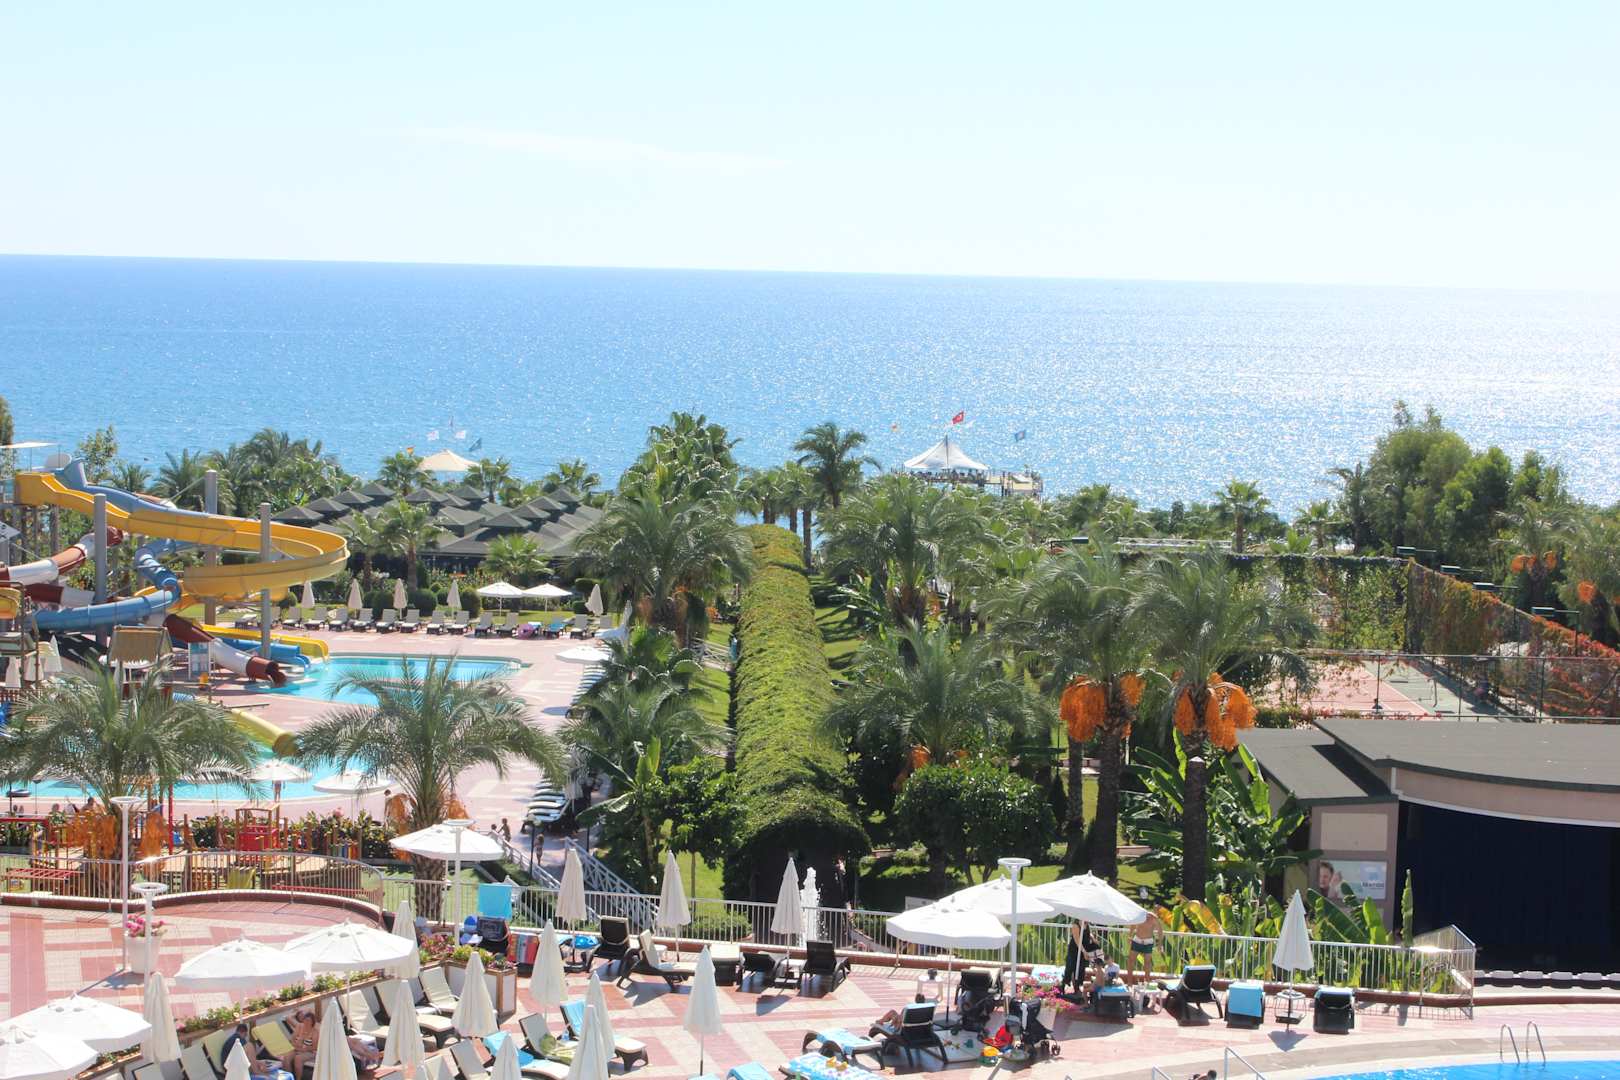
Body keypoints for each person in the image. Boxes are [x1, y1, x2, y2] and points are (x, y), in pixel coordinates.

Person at [222, 1023, 293, 1080]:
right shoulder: (238, 1039)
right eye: (246, 1035)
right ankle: (257, 1071)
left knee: (260, 1062)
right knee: (250, 1045)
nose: (246, 1037)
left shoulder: (232, 1039)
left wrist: (258, 1062)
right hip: (232, 1069)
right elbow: (246, 1057)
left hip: (231, 1066)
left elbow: (244, 1057)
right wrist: (257, 1063)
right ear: (244, 1032)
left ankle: (258, 1070)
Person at [281, 1009, 319, 1078]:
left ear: (312, 1022)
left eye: (309, 1021)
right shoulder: (299, 1026)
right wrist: (295, 1046)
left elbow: (315, 1047)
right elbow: (292, 1039)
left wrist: (303, 1049)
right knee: (286, 1058)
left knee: (298, 1059)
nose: (306, 1022)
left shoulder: (315, 1032)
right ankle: (290, 1078)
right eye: (305, 1020)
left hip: (309, 1051)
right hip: (297, 1048)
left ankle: (298, 1078)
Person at [1129, 909, 1162, 981]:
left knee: (1147, 962)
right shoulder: (1140, 917)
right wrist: (1130, 936)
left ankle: (1147, 981)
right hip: (1137, 940)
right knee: (1131, 961)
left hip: (1148, 943)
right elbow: (1133, 926)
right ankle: (1129, 982)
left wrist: (1159, 944)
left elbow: (1160, 931)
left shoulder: (1154, 919)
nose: (1148, 917)